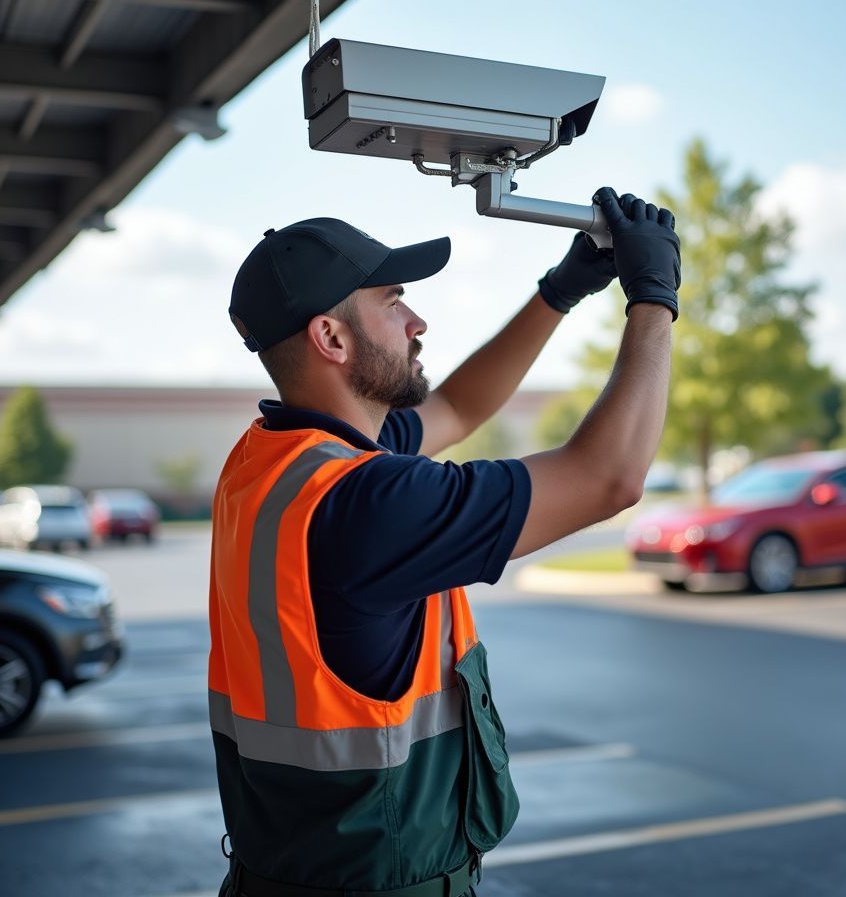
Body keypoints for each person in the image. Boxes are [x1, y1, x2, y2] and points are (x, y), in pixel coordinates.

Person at [210, 186, 681, 897]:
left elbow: (456, 408)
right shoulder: (366, 504)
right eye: (393, 302)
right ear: (331, 339)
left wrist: (562, 290)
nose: (416, 321)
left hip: (281, 873)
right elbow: (608, 478)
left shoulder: (271, 461)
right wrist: (655, 299)